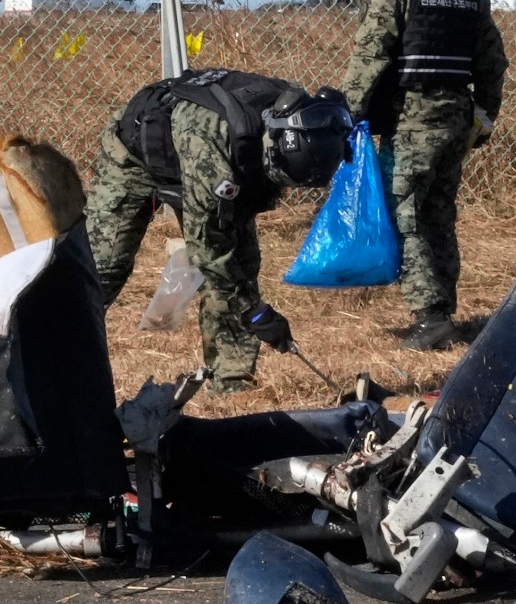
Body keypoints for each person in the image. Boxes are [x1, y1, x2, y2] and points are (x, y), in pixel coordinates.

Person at [87, 68, 352, 392]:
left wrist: (251, 305)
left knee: (241, 265)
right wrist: (256, 312)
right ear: (276, 144)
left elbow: (231, 261)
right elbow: (208, 251)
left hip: (212, 158)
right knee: (102, 267)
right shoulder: (214, 144)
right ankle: (54, 354)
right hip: (136, 152)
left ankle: (232, 379)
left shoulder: (296, 114)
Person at [338, 0, 509, 349]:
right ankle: (445, 310)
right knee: (438, 215)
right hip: (457, 119)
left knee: (402, 216)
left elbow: (370, 55)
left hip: (411, 120)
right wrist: (484, 117)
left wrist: (346, 116)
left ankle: (430, 317)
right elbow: (493, 64)